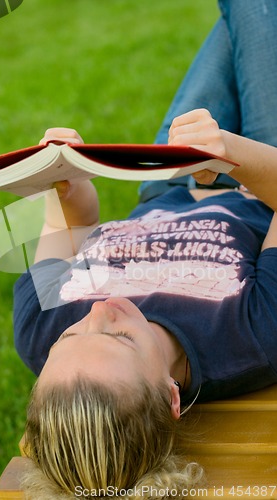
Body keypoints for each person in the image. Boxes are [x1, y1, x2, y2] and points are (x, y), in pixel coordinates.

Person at [14, 109, 277, 499]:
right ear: (171, 395)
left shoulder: (38, 328)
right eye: (121, 337)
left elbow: (71, 225)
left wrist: (65, 181)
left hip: (162, 182)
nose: (100, 309)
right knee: (251, 44)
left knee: (226, 47)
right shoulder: (252, 334)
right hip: (256, 176)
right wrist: (230, 153)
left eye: (68, 334)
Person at [139, 0, 277, 203]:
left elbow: (84, 222)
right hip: (262, 182)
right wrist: (227, 150)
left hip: (165, 179)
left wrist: (74, 182)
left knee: (246, 15)